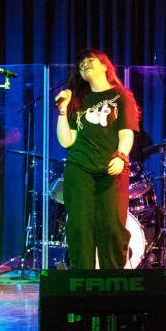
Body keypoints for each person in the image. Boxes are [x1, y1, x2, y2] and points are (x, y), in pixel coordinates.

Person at [55, 49, 140, 269]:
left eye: (90, 61)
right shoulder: (77, 99)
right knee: (79, 227)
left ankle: (112, 280)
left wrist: (121, 156)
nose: (84, 65)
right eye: (81, 64)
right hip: (79, 168)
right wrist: (63, 110)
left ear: (104, 66)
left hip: (112, 168)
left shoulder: (121, 96)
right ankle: (82, 278)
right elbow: (66, 140)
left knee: (112, 228)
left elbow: (126, 133)